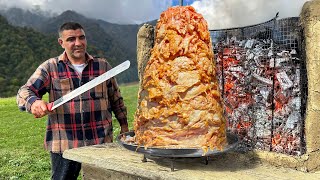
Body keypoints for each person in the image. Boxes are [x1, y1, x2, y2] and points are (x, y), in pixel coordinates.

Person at [16, 22, 129, 179]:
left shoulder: (102, 66)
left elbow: (116, 99)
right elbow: (24, 91)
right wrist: (34, 103)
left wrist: (124, 126)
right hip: (64, 143)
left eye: (81, 37)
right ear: (61, 42)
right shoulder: (50, 67)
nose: (78, 43)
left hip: (100, 141)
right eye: (71, 39)